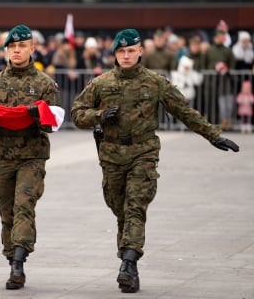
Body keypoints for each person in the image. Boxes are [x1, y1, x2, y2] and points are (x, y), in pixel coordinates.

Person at [70, 29, 239, 294]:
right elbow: (77, 113)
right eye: (121, 51)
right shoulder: (101, 83)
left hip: (143, 154)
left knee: (135, 206)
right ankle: (129, 260)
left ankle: (128, 264)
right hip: (112, 157)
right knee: (121, 211)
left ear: (140, 52)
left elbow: (184, 111)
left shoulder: (154, 82)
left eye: (130, 51)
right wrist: (100, 115)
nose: (126, 56)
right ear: (115, 53)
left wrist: (213, 136)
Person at [0, 24, 61, 290]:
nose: (16, 51)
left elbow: (51, 125)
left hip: (31, 157)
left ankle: (18, 262)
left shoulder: (44, 84)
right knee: (7, 214)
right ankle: (12, 256)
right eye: (12, 47)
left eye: (22, 46)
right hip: (1, 158)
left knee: (24, 205)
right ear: (6, 50)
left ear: (32, 48)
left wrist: (37, 116)